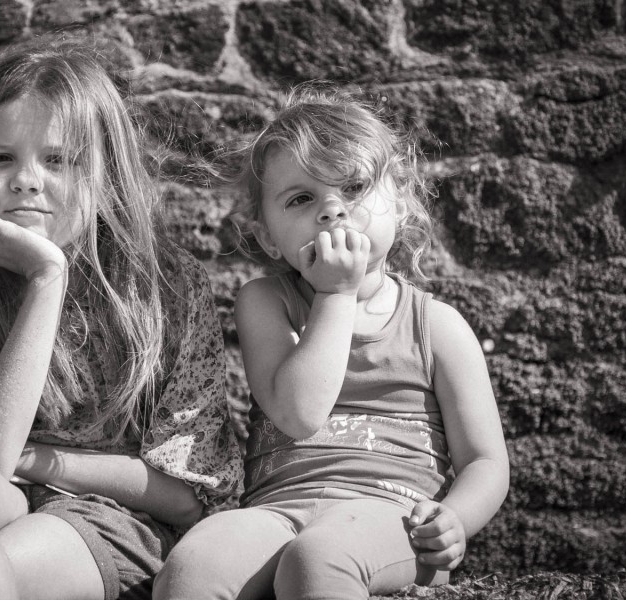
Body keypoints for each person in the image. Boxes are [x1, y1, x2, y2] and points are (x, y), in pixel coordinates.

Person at [0, 39, 242, 600]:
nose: (26, 180)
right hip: (6, 507)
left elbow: (188, 494)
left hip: (119, 522)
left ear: (105, 173)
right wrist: (45, 282)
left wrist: (38, 461)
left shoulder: (168, 287)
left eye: (58, 159)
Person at [153, 87, 509, 599]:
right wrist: (335, 296)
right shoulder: (265, 302)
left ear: (401, 202)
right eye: (301, 198)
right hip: (276, 509)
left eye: (354, 186)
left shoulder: (439, 326)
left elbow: (485, 460)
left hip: (392, 517)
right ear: (270, 237)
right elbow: (298, 414)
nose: (331, 211)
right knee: (193, 567)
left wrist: (454, 518)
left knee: (317, 560)